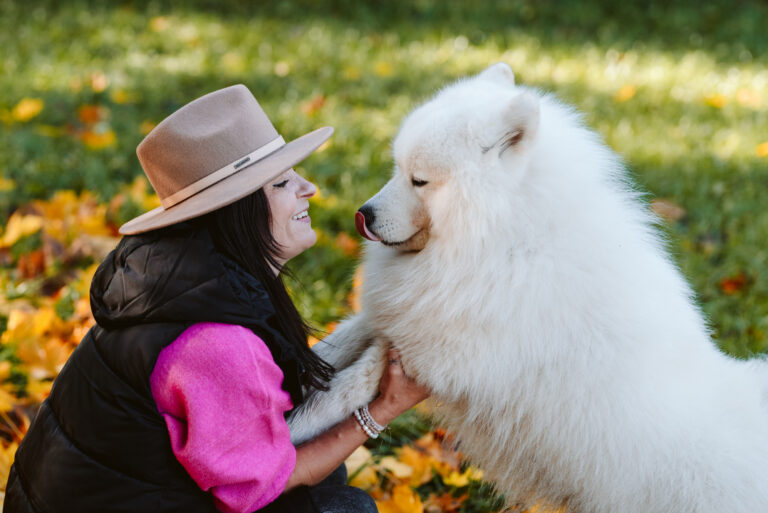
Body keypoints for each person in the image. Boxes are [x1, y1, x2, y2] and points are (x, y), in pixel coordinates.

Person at [4, 85, 430, 513]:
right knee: (343, 508)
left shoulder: (174, 280)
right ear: (237, 211)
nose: (310, 188)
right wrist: (381, 410)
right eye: (282, 182)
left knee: (321, 469)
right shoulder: (216, 343)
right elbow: (256, 491)